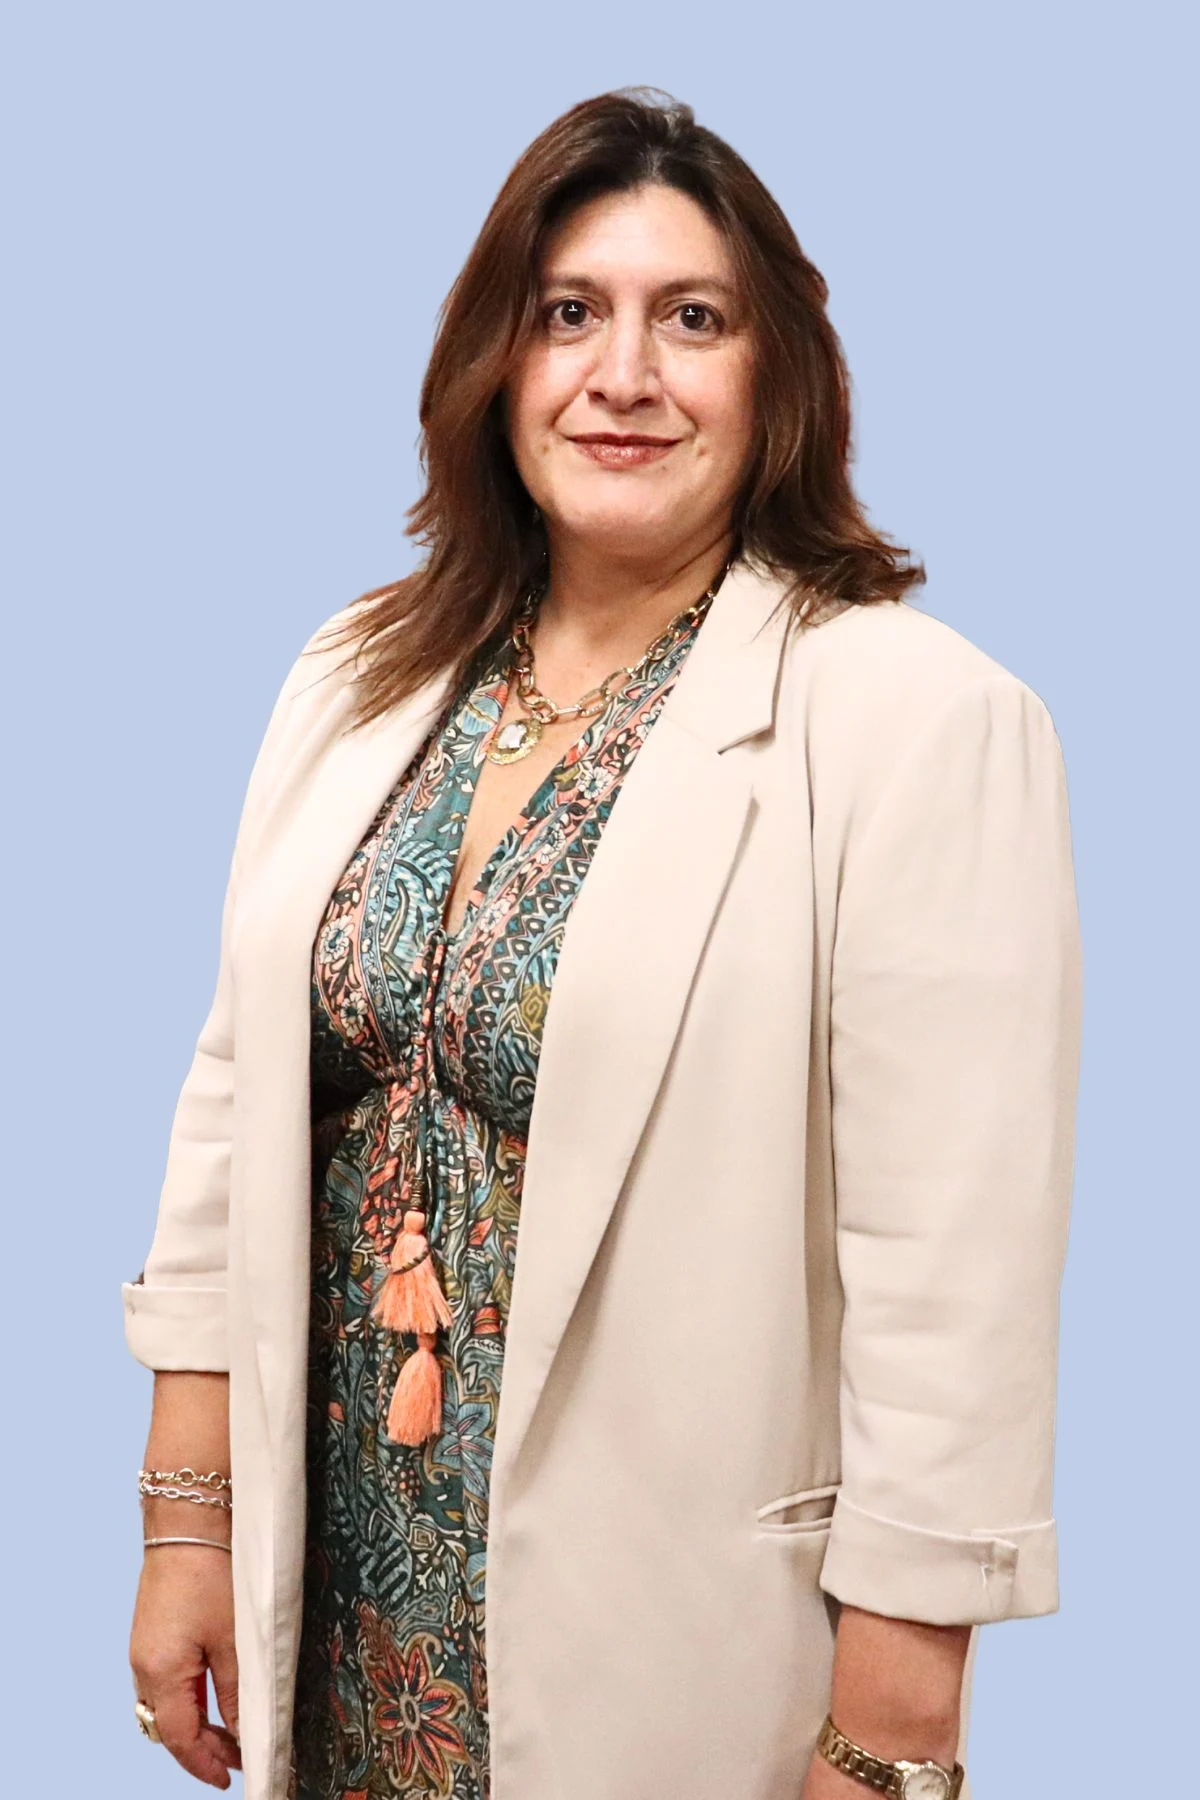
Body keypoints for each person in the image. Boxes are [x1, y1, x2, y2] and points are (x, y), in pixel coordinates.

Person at [123, 87, 1083, 1800]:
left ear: (779, 373)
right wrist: (186, 1522)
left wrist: (895, 1730)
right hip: (342, 1628)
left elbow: (957, 1281)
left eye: (690, 320)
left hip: (675, 1650)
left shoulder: (914, 722)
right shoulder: (358, 678)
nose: (621, 374)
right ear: (496, 362)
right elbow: (231, 1095)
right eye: (570, 312)